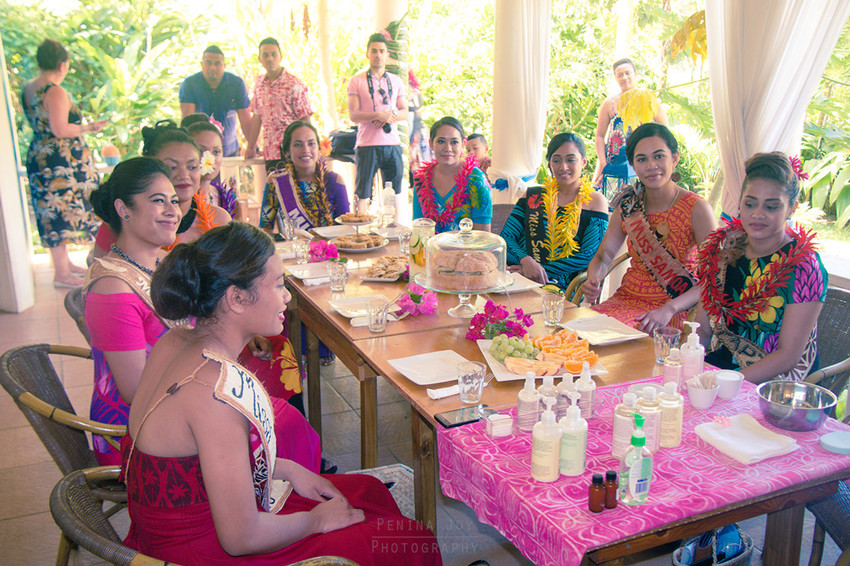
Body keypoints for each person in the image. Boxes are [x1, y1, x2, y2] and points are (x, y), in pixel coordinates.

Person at [123, 222, 442, 565]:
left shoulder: (176, 340)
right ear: (236, 297)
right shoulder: (212, 390)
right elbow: (240, 539)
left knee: (369, 492)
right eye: (278, 285)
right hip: (200, 550)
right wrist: (317, 521)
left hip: (193, 520)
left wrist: (287, 468)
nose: (287, 297)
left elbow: (195, 465)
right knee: (410, 541)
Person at [694, 152, 827, 383]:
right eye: (750, 204)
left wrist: (724, 384)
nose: (757, 214)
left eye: (771, 207)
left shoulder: (805, 267)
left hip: (776, 388)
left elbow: (788, 357)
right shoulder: (726, 250)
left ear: (791, 208)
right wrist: (688, 364)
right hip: (720, 370)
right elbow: (703, 331)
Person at [84, 157, 181, 465]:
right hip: (135, 433)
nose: (173, 211)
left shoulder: (159, 265)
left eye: (174, 201)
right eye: (158, 201)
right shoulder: (113, 288)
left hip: (176, 405)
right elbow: (137, 391)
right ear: (123, 209)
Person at [584, 123, 716, 333]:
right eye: (642, 159)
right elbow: (603, 256)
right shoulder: (628, 204)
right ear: (633, 165)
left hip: (673, 309)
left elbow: (715, 277)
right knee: (578, 332)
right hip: (625, 300)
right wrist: (593, 279)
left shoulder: (697, 208)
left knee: (610, 341)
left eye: (659, 156)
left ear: (674, 158)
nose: (651, 165)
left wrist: (669, 308)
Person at [21, 39, 106, 288]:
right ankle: (61, 272)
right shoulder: (54, 90)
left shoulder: (29, 88)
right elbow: (59, 129)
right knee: (58, 209)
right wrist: (90, 127)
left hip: (40, 156)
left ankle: (64, 265)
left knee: (51, 209)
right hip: (59, 162)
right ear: (62, 64)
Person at [501, 133, 609, 289]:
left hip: (562, 284)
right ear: (549, 163)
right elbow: (506, 237)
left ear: (584, 162)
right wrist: (526, 261)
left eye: (571, 160)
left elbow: (587, 256)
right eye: (556, 160)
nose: (563, 167)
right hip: (518, 277)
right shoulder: (533, 196)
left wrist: (538, 271)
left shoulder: (595, 201)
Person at [347, 31, 408, 217]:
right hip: (367, 144)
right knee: (363, 192)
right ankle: (360, 231)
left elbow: (404, 111)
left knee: (394, 191)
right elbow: (354, 115)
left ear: (387, 54)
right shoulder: (356, 81)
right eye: (374, 51)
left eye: (382, 51)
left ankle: (395, 228)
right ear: (367, 54)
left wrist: (390, 115)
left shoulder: (396, 81)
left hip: (392, 144)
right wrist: (377, 115)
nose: (378, 55)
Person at [593, 58, 667, 197]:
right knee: (613, 205)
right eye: (620, 74)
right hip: (615, 163)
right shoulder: (610, 103)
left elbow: (664, 132)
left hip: (643, 161)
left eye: (627, 73)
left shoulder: (649, 99)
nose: (624, 77)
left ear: (635, 74)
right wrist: (603, 163)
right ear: (615, 78)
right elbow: (599, 136)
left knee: (642, 205)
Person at [259, 120, 350, 233]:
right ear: (287, 151)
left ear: (319, 149)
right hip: (293, 249)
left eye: (311, 143)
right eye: (298, 144)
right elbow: (265, 229)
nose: (305, 150)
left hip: (331, 249)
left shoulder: (335, 181)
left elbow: (346, 229)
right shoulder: (276, 181)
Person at [413, 116, 492, 233]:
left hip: (469, 250)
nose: (448, 148)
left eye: (454, 142)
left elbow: (483, 237)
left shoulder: (476, 179)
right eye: (441, 141)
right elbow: (419, 232)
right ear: (430, 144)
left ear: (463, 144)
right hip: (429, 250)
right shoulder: (421, 180)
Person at [245, 37, 314, 172]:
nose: (270, 58)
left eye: (274, 54)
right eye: (265, 55)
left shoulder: (295, 84)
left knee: (295, 192)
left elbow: (305, 119)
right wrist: (251, 147)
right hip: (271, 154)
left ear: (280, 56)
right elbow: (257, 117)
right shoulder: (259, 84)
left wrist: (310, 149)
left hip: (293, 153)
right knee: (274, 192)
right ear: (260, 58)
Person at [178, 46, 251, 158]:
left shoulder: (236, 84)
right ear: (201, 64)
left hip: (230, 151)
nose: (212, 67)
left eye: (217, 63)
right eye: (208, 63)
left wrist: (253, 146)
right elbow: (187, 121)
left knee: (230, 176)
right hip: (200, 153)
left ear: (224, 66)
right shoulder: (190, 84)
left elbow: (245, 119)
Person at [183, 114, 239, 217]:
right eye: (201, 151)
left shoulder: (224, 196)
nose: (209, 158)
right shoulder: (181, 197)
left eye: (216, 152)